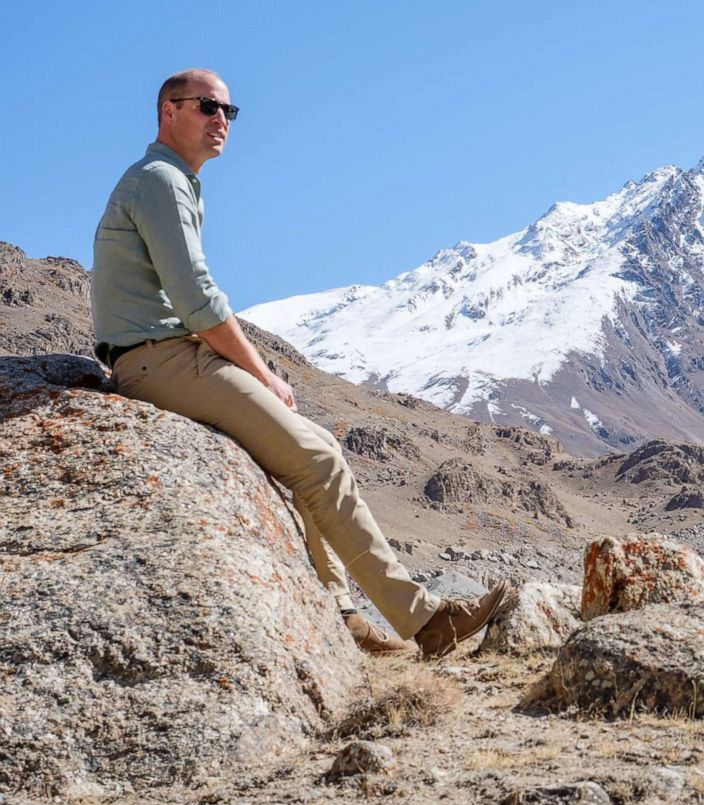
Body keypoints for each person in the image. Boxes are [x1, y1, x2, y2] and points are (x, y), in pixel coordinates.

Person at [89, 68, 510, 657]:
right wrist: (264, 374)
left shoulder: (173, 181)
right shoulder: (160, 179)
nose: (221, 121)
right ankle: (427, 622)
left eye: (229, 113)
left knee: (316, 450)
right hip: (159, 359)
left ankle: (344, 617)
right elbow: (195, 299)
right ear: (168, 111)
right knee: (315, 459)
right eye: (208, 106)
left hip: (167, 356)